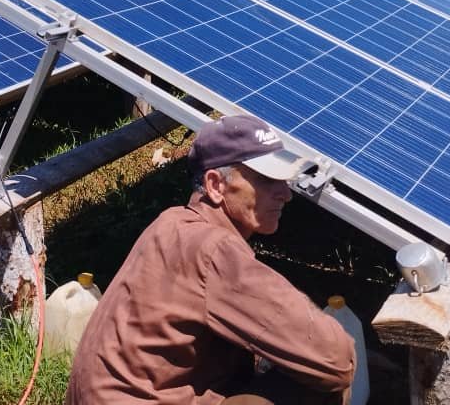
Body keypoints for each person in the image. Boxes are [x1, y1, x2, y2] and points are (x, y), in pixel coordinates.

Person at [66, 114, 356, 405]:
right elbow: (337, 361)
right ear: (216, 185)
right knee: (324, 386)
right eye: (268, 180)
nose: (285, 194)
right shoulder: (214, 251)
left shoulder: (171, 222)